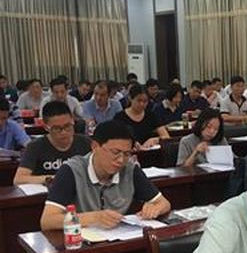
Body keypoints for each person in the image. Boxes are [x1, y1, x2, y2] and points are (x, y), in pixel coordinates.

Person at [40, 120, 171, 230]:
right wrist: (94, 218)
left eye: (127, 154)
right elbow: (47, 221)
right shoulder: (71, 171)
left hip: (118, 240)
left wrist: (155, 208)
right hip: (81, 244)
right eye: (115, 152)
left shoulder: (130, 170)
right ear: (95, 146)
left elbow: (164, 203)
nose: (121, 160)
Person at [14, 101, 93, 184]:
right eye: (57, 128)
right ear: (46, 127)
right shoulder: (35, 146)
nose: (63, 132)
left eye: (67, 126)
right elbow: (19, 179)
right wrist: (53, 179)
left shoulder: (86, 143)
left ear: (73, 120)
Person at [114, 83, 169, 148]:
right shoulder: (120, 117)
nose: (142, 104)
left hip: (149, 150)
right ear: (130, 98)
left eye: (145, 101)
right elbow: (115, 141)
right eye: (139, 100)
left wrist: (154, 140)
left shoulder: (150, 115)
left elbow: (166, 136)